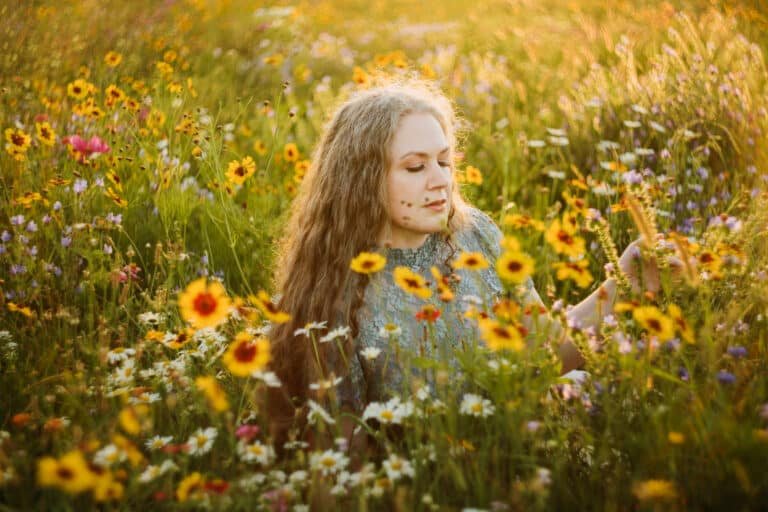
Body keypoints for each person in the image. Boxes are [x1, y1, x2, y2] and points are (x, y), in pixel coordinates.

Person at [266, 79, 659, 450]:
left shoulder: (477, 235)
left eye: (444, 160)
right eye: (416, 167)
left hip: (518, 448)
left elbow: (544, 351)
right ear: (362, 180)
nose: (440, 180)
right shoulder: (332, 290)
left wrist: (628, 280)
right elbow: (343, 455)